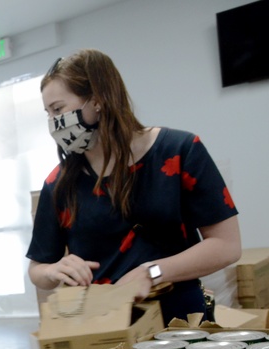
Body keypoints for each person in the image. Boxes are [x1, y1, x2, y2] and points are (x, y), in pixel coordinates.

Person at [26, 49, 241, 324]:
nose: (53, 123)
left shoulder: (179, 151)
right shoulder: (59, 184)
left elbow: (227, 245)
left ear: (98, 100)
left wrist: (152, 272)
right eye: (48, 113)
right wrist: (54, 270)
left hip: (181, 322)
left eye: (58, 109)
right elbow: (37, 270)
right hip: (103, 326)